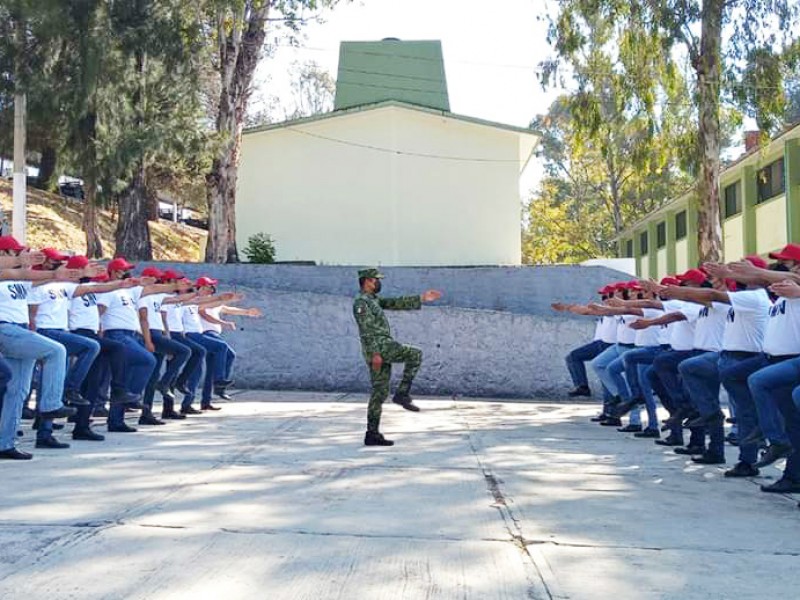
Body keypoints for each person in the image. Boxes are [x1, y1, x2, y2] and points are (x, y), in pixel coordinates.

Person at [0, 239, 80, 459]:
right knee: (56, 351)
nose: (22, 254)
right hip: (5, 329)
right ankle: (51, 404)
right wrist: (18, 260)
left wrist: (55, 275)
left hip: (20, 330)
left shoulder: (19, 275)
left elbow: (27, 278)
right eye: (16, 251)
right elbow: (14, 273)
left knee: (18, 391)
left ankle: (5, 444)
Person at [352, 267, 442, 447]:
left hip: (379, 348)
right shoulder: (361, 302)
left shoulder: (372, 300)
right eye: (376, 279)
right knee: (415, 354)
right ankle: (402, 394)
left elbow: (395, 303)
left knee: (379, 392)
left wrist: (422, 298)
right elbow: (366, 330)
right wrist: (376, 353)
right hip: (379, 347)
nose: (378, 282)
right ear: (367, 280)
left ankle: (372, 434)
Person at [199, 303, 263, 400]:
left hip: (215, 335)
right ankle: (219, 381)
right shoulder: (199, 301)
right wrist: (223, 323)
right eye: (204, 288)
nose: (207, 290)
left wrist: (247, 312)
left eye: (210, 288)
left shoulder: (215, 302)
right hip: (205, 334)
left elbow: (229, 309)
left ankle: (207, 400)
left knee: (213, 367)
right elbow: (204, 315)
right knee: (227, 352)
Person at [562, 285, 615, 397]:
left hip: (608, 345)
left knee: (606, 380)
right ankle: (582, 386)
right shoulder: (605, 310)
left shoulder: (613, 311)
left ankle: (610, 410)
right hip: (599, 344)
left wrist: (568, 307)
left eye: (607, 296)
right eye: (603, 297)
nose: (605, 300)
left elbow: (587, 311)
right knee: (573, 357)